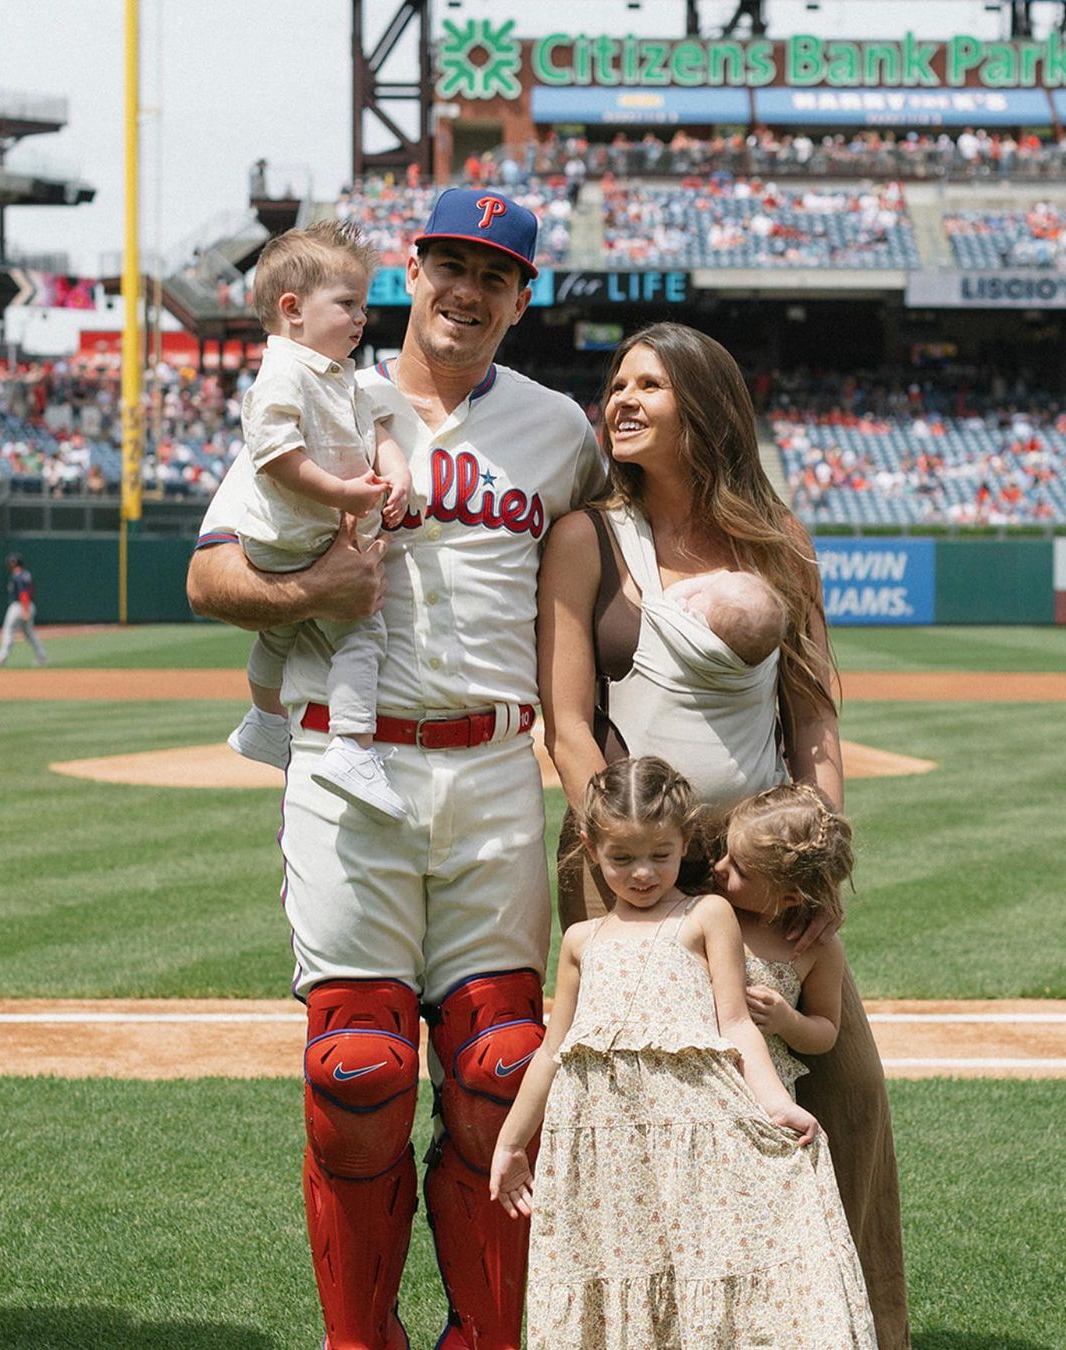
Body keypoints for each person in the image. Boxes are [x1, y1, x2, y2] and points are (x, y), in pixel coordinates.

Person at [186, 187, 605, 1350]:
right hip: (347, 764)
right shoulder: (323, 398)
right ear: (410, 273)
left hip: (490, 774)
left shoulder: (556, 433)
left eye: (496, 275)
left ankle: (485, 1336)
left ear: (522, 297)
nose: (468, 291)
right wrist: (307, 592)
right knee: (357, 1073)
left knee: (497, 1070)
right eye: (450, 266)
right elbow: (209, 576)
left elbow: (600, 590)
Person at [537, 322, 910, 1347]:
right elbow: (566, 721)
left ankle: (859, 1323)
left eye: (647, 385)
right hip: (631, 861)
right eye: (615, 384)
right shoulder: (586, 539)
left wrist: (815, 847)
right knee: (634, 1099)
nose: (619, 399)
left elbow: (814, 718)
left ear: (701, 405)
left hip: (758, 871)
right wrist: (625, 851)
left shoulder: (777, 542)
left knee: (845, 1085)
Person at [489, 757, 877, 1349]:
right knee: (623, 1276)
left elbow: (737, 1025)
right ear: (592, 849)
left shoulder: (706, 914)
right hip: (606, 1148)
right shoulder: (579, 941)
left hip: (692, 1135)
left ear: (685, 844)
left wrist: (775, 1104)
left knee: (698, 1273)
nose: (643, 873)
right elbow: (553, 1051)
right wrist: (513, 1142)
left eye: (661, 856)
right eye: (622, 858)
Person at [225, 219, 413, 822]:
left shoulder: (339, 376)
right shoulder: (284, 371)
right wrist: (343, 493)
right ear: (293, 309)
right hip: (297, 539)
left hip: (305, 537)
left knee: (278, 635)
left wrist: (397, 470)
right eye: (347, 304)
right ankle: (352, 745)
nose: (362, 318)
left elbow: (376, 429)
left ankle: (261, 722)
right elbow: (275, 452)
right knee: (363, 632)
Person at [713, 782, 853, 1096]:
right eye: (725, 851)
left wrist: (787, 1021)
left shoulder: (816, 947)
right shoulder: (708, 908)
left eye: (739, 869)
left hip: (761, 1092)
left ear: (790, 898)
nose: (719, 867)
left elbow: (826, 1030)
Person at [0, 554, 48, 668]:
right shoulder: (26, 575)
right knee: (29, 633)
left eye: (11, 563)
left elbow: (23, 593)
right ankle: (43, 657)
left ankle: (1, 658)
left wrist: (25, 609)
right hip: (29, 605)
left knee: (8, 630)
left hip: (19, 606)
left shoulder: (18, 576)